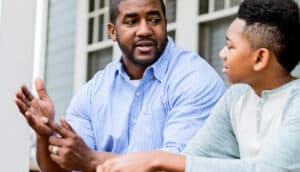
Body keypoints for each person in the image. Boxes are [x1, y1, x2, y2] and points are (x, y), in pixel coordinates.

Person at [15, 0, 225, 171]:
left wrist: (92, 161)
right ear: (112, 31)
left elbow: (176, 167)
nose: (145, 30)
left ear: (165, 22)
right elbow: (62, 168)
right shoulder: (95, 90)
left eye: (154, 19)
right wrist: (44, 135)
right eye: (132, 21)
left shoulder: (194, 79)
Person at [96, 0, 300, 171]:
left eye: (231, 46)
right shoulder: (236, 98)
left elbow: (269, 169)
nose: (222, 53)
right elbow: (196, 157)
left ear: (260, 58)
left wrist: (157, 159)